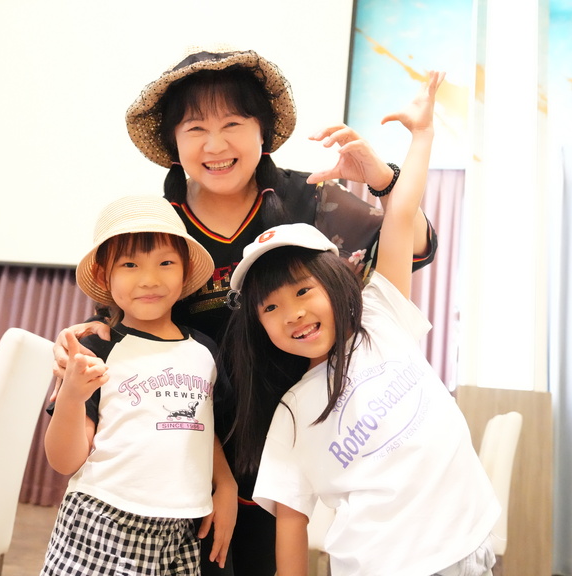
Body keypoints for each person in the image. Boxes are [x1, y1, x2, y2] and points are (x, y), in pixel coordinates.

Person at [54, 46, 440, 575]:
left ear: (264, 131)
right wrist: (85, 339)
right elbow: (117, 328)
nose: (215, 145)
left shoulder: (312, 198)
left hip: (292, 454)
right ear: (173, 144)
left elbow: (410, 246)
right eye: (195, 129)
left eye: (233, 123)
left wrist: (383, 180)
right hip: (182, 463)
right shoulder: (157, 226)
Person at [222, 72, 500, 576]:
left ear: (335, 281)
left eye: (303, 291)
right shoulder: (290, 412)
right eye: (271, 308)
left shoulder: (380, 315)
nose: (294, 313)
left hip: (468, 548)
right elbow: (290, 521)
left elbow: (401, 216)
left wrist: (422, 136)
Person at [42, 195, 236, 575]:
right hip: (104, 520)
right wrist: (72, 397)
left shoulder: (205, 350)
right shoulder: (96, 347)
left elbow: (198, 426)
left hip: (181, 528)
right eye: (130, 264)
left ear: (185, 272)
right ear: (104, 276)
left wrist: (225, 484)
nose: (149, 279)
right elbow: (64, 461)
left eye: (166, 263)